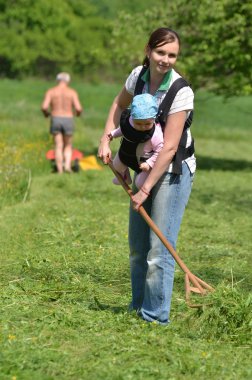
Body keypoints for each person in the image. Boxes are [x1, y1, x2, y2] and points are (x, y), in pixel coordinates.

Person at [98, 28, 195, 325]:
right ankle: (137, 307)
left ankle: (155, 318)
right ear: (149, 50)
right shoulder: (138, 75)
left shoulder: (181, 91)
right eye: (161, 52)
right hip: (142, 165)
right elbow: (119, 104)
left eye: (172, 54)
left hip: (171, 170)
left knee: (159, 249)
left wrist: (145, 189)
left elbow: (168, 149)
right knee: (138, 247)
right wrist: (105, 139)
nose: (165, 59)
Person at [109, 93, 163, 189]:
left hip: (144, 162)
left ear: (154, 118)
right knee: (116, 165)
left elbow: (160, 150)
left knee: (140, 184)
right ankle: (125, 177)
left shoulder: (156, 134)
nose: (142, 127)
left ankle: (150, 190)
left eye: (147, 124)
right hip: (127, 154)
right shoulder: (129, 120)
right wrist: (114, 134)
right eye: (138, 123)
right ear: (132, 117)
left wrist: (149, 163)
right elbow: (124, 129)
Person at [41, 72, 83, 173]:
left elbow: (44, 107)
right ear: (68, 81)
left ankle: (60, 171)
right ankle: (67, 167)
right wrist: (77, 114)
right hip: (68, 118)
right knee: (68, 145)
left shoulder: (51, 91)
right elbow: (78, 108)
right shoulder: (72, 92)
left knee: (58, 145)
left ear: (57, 80)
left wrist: (46, 114)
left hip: (55, 118)